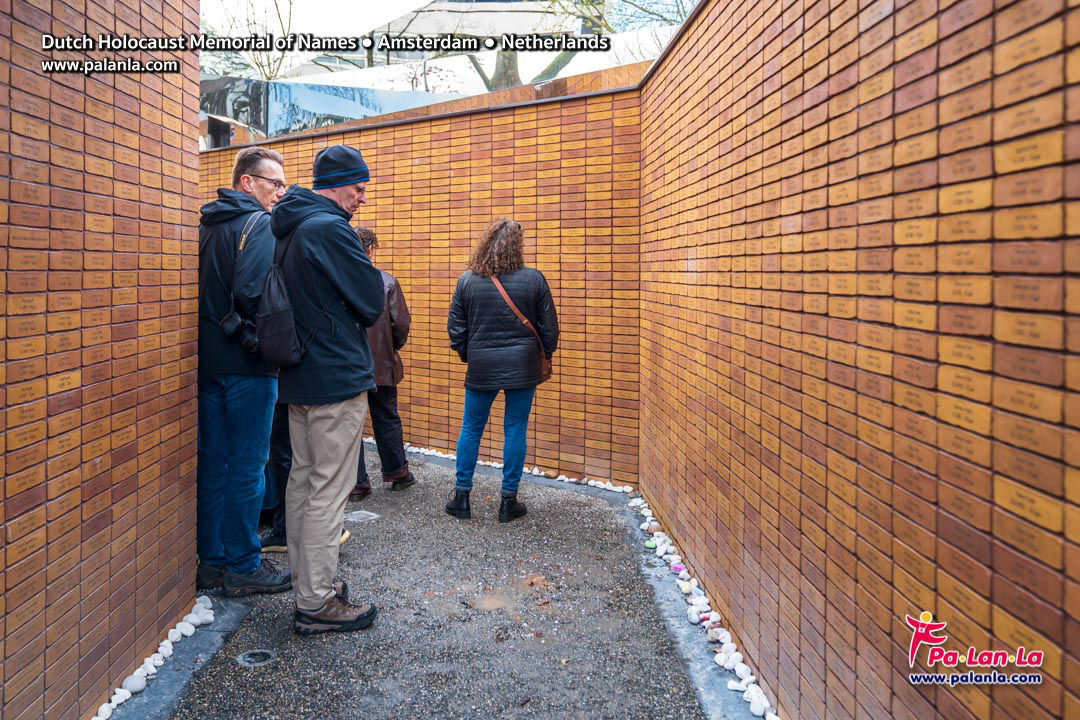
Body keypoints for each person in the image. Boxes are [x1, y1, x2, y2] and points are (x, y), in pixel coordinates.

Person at [270, 145, 385, 634]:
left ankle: (308, 584)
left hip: (300, 376)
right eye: (358, 187)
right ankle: (316, 602)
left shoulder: (288, 225)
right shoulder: (329, 227)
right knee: (328, 490)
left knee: (302, 482)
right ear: (336, 184)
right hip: (335, 377)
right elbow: (369, 300)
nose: (361, 198)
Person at [196, 147, 292, 596]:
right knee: (249, 466)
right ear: (246, 182)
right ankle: (242, 564)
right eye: (275, 183)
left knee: (214, 464)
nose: (281, 192)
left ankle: (212, 561)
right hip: (248, 367)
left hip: (209, 362)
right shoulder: (259, 225)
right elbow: (252, 291)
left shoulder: (208, 226)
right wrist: (261, 341)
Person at [445, 219, 558, 523]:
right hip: (522, 366)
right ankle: (508, 502)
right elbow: (550, 328)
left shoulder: (468, 280)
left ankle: (461, 498)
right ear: (517, 247)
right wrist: (545, 355)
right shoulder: (534, 280)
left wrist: (470, 354)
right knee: (515, 428)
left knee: (471, 428)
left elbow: (455, 328)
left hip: (481, 366)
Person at [350, 227, 415, 500]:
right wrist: (389, 348)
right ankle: (397, 472)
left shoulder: (338, 280)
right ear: (371, 249)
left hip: (347, 365)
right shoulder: (386, 282)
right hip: (381, 363)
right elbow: (401, 325)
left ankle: (357, 484)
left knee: (350, 425)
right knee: (387, 418)